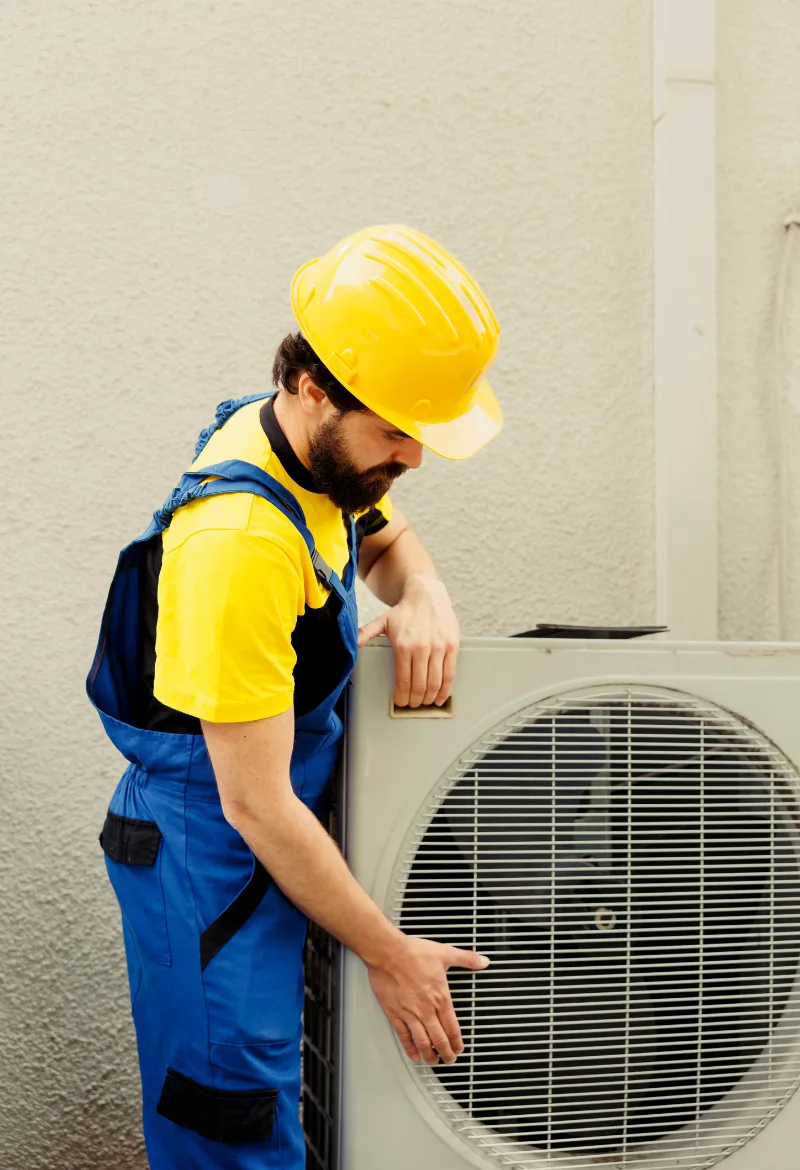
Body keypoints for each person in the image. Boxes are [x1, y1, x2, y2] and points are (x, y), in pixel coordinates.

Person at [87, 224, 502, 1169]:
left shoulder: (308, 450)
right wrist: (390, 954)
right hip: (214, 861)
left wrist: (424, 595)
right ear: (316, 388)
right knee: (231, 1119)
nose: (415, 457)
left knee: (280, 1100)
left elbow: (386, 537)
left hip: (272, 843)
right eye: (399, 431)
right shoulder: (236, 543)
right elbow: (254, 801)